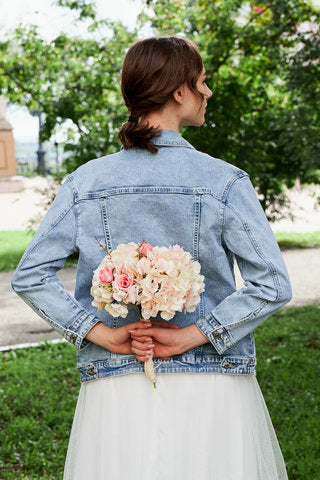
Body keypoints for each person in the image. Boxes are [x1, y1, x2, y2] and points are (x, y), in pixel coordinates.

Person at [11, 36, 292, 480]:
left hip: (117, 382)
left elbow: (29, 276)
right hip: (213, 381)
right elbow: (273, 286)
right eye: (203, 81)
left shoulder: (87, 181)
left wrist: (101, 333)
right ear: (180, 91)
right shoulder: (224, 181)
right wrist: (191, 336)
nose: (209, 92)